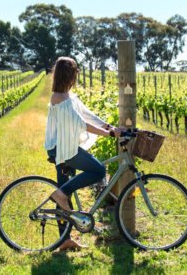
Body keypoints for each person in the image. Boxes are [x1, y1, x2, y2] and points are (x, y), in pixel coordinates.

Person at [44, 56, 120, 252]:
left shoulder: (70, 97)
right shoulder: (58, 98)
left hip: (65, 147)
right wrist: (107, 133)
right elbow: (80, 123)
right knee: (98, 170)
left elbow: (86, 114)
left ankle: (64, 240)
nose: (76, 75)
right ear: (69, 74)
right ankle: (59, 194)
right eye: (75, 72)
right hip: (63, 149)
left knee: (66, 192)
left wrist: (108, 126)